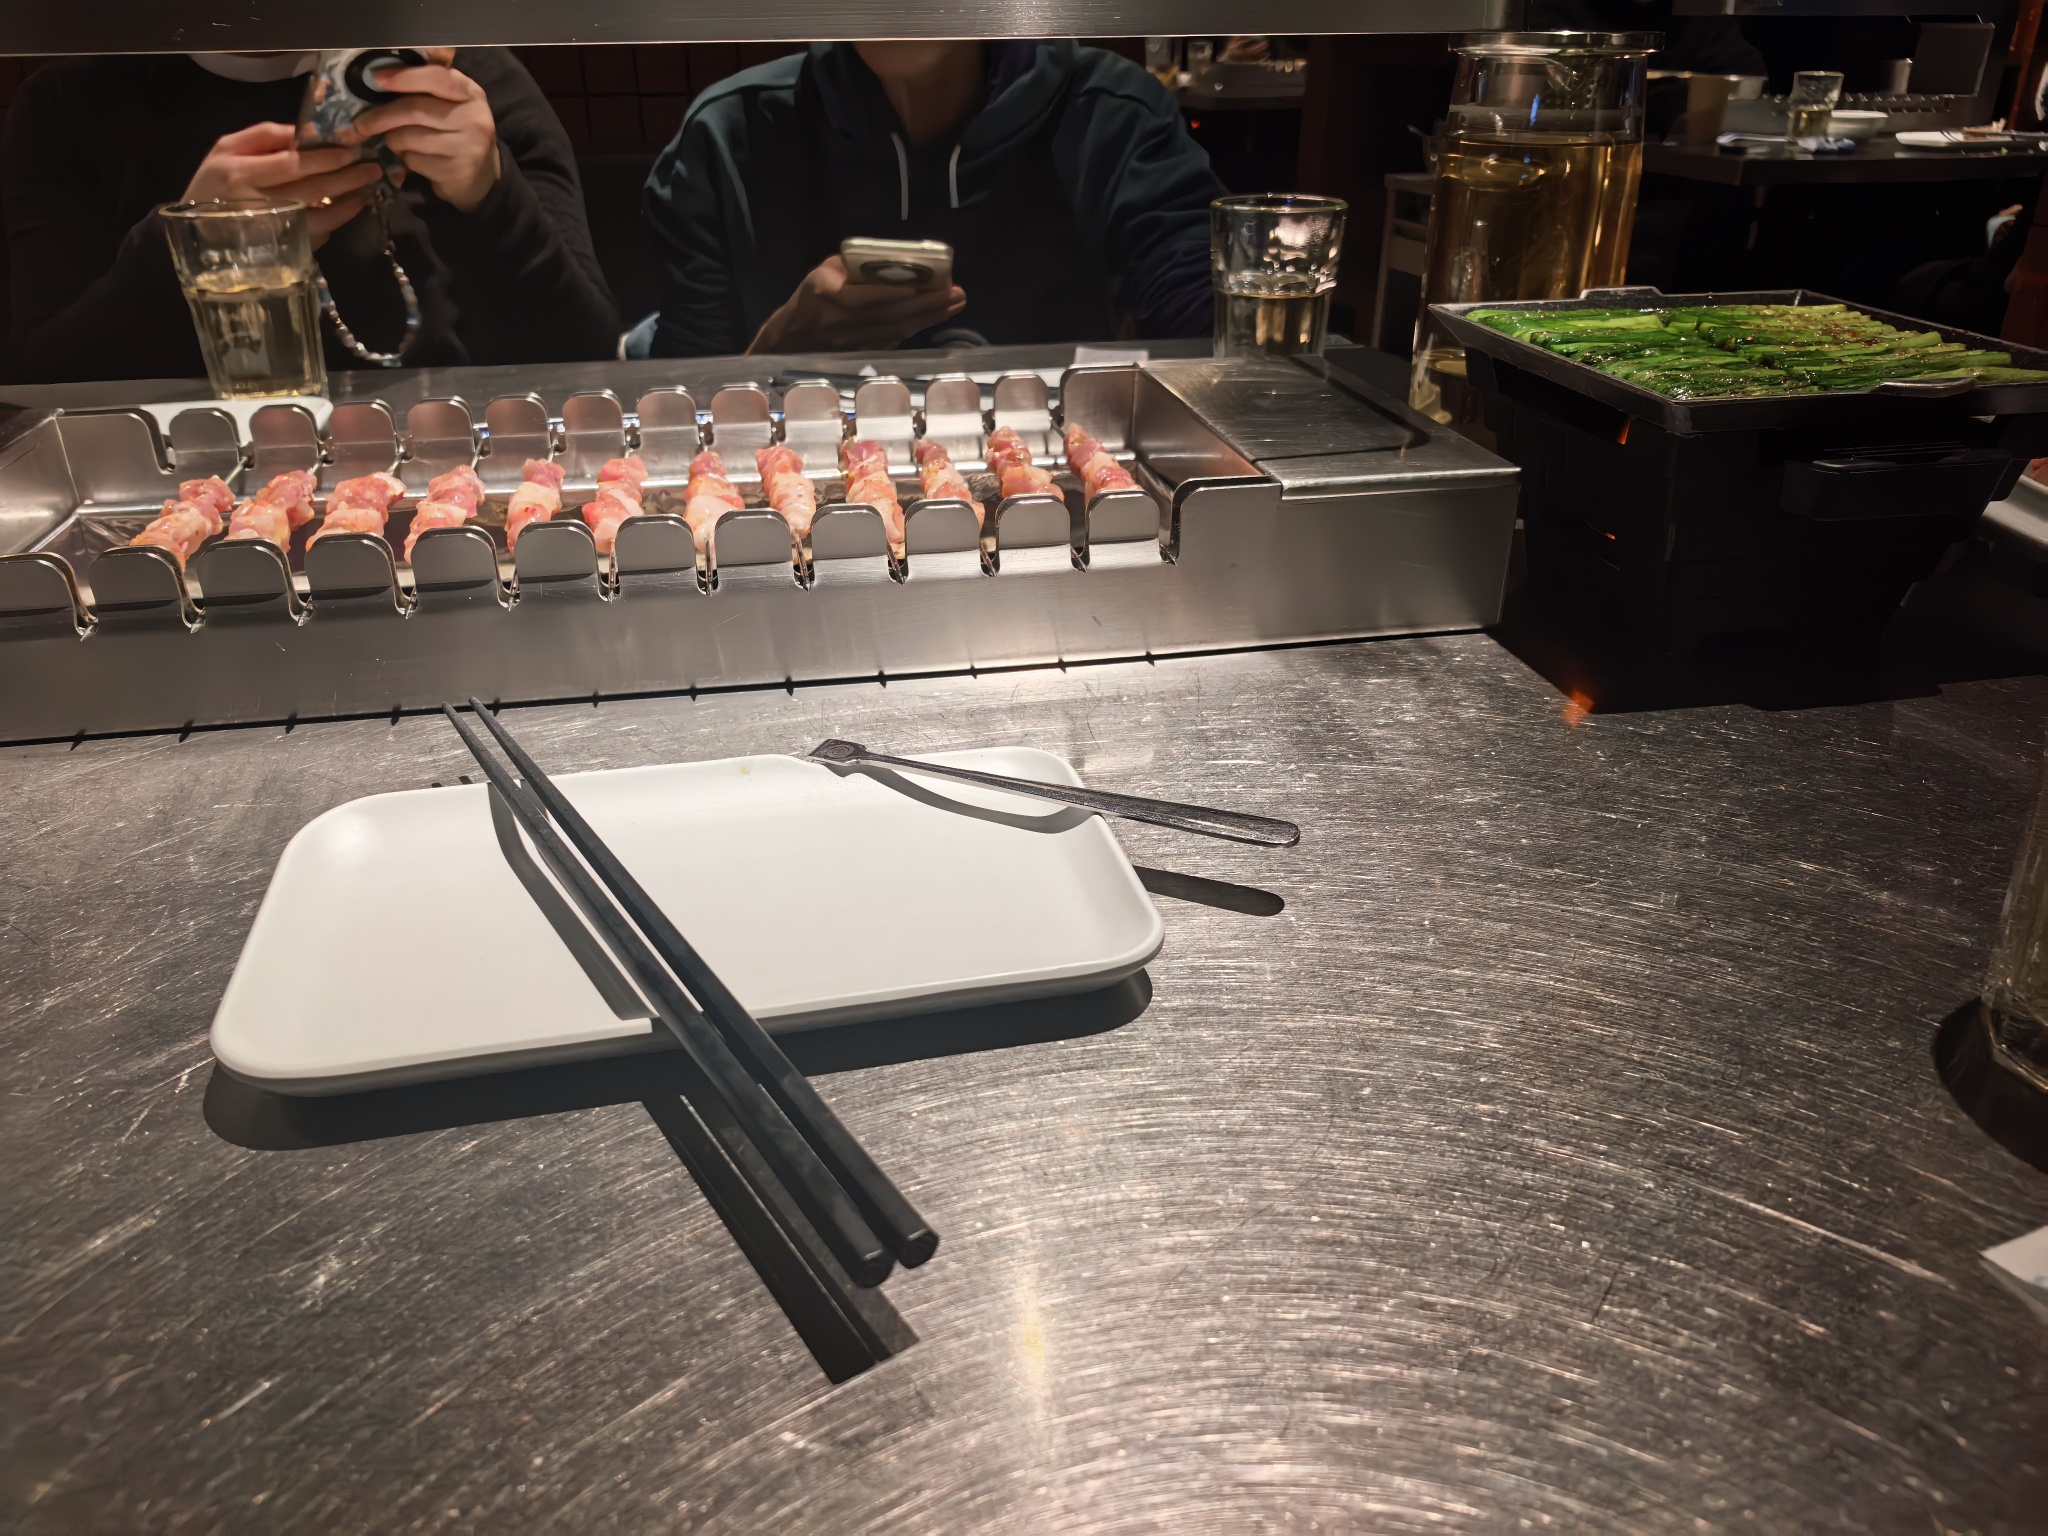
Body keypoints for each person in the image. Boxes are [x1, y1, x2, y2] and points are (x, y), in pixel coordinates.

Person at [2, 49, 617, 383]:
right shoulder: (72, 104)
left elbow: (585, 359)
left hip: (460, 486)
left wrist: (488, 195)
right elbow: (48, 385)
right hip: (180, 498)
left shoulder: (465, 85)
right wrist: (190, 246)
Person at [641, 41, 1224, 356]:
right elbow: (681, 412)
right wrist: (782, 345)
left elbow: (1207, 320)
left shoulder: (1113, 116)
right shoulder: (728, 138)